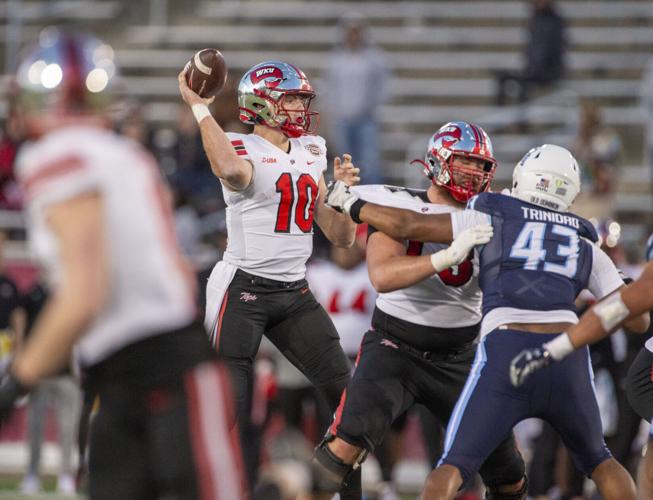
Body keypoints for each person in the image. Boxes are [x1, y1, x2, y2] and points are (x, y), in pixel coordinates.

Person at [324, 143, 649, 500]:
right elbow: (639, 320)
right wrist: (619, 291)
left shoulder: (492, 214)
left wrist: (353, 204)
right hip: (565, 351)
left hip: (506, 349)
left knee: (453, 465)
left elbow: (408, 223)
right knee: (600, 460)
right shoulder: (584, 242)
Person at [0, 29, 246, 499]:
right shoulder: (127, 154)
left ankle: (292, 487)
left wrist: (16, 383)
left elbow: (83, 295)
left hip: (151, 369)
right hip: (155, 364)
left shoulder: (53, 157)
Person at [312, 122, 527, 499]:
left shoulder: (490, 213)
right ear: (438, 160)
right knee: (340, 452)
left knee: (508, 475)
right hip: (394, 347)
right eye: (464, 162)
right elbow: (382, 275)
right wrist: (445, 257)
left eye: (481, 166)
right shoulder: (395, 202)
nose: (474, 174)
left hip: (461, 356)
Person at [178, 60, 363, 498]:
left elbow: (340, 237)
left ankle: (342, 492)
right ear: (261, 103)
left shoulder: (313, 149)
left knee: (351, 401)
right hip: (242, 288)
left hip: (293, 291)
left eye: (302, 98)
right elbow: (232, 172)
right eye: (292, 97)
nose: (301, 106)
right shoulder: (239, 146)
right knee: (230, 411)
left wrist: (342, 198)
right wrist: (201, 109)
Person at [20, 281, 81, 496]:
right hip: (41, 375)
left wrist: (78, 368)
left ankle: (65, 475)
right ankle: (32, 474)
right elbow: (26, 330)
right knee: (35, 428)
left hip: (67, 375)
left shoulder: (71, 291)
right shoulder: (35, 293)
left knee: (68, 430)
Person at [324, 14, 389, 184]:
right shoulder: (336, 60)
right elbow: (331, 88)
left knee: (370, 161)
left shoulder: (374, 58)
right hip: (342, 118)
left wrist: (372, 105)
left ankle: (373, 199)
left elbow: (382, 84)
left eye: (356, 32)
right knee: (346, 160)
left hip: (366, 117)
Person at [495, 0, 566, 105]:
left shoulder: (554, 21)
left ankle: (522, 115)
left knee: (524, 83)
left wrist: (539, 67)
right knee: (503, 77)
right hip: (533, 71)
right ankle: (503, 114)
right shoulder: (536, 19)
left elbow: (551, 50)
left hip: (548, 72)